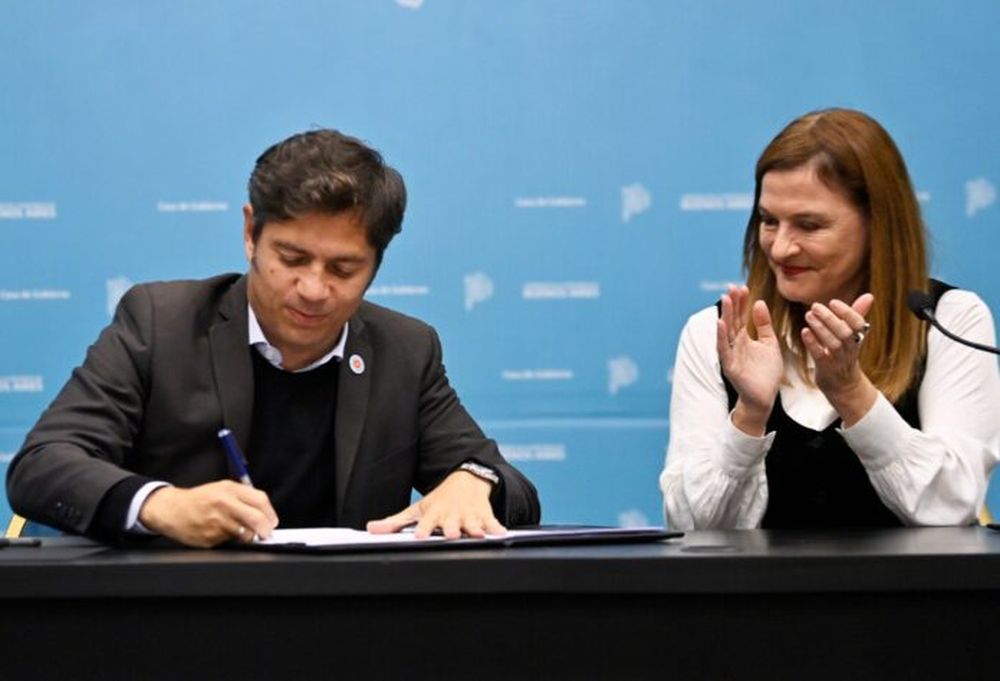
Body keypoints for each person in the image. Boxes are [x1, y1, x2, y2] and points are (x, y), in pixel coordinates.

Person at [6, 129, 540, 547]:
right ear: (250, 234)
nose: (313, 289)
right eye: (292, 258)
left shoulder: (406, 350)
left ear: (376, 265)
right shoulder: (162, 323)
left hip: (342, 623)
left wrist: (476, 480)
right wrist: (161, 505)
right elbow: (43, 463)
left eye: (343, 269)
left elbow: (513, 489)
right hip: (177, 614)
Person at [660, 108, 1000, 530]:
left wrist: (851, 392)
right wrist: (749, 414)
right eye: (769, 221)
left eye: (809, 225)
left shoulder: (948, 320)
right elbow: (691, 529)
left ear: (877, 223)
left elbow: (950, 509)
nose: (781, 248)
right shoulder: (716, 332)